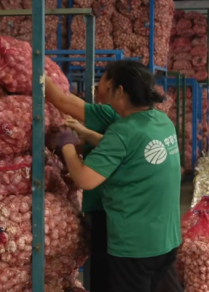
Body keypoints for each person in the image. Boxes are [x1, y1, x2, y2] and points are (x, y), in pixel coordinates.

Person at [51, 60, 183, 292]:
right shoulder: (161, 121)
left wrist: (67, 145)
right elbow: (133, 150)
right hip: (166, 238)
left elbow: (85, 179)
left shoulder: (123, 131)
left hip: (134, 244)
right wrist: (89, 135)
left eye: (105, 81)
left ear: (120, 91)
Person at [45, 70, 121, 292]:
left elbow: (61, 100)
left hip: (103, 204)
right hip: (116, 209)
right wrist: (83, 137)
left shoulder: (108, 113)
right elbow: (107, 145)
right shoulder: (143, 123)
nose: (98, 85)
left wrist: (35, 69)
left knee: (102, 269)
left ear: (117, 88)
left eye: (103, 79)